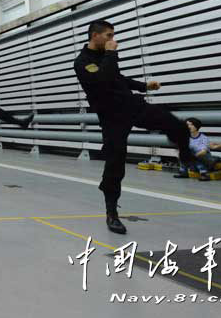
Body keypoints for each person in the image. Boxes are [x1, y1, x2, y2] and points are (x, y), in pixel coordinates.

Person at [73, 20, 195, 235]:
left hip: (132, 106)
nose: (113, 40)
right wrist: (111, 54)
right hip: (112, 117)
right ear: (95, 36)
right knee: (115, 164)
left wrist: (144, 86)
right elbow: (103, 80)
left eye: (113, 36)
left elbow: (119, 79)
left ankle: (185, 154)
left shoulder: (105, 56)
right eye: (109, 36)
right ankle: (112, 213)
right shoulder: (82, 62)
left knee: (177, 125)